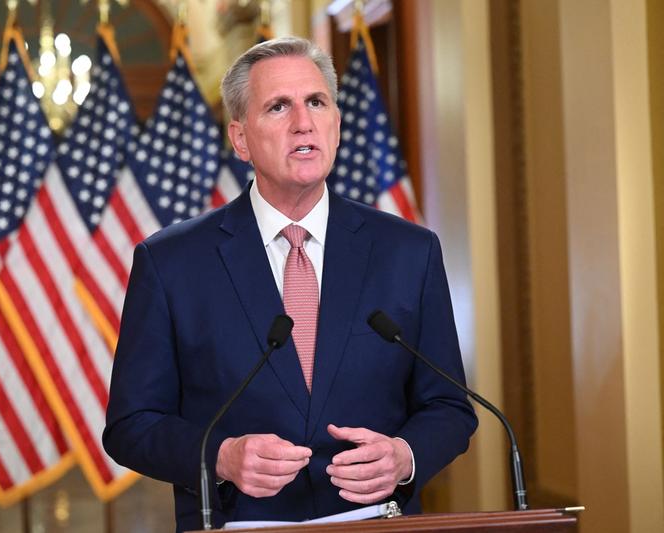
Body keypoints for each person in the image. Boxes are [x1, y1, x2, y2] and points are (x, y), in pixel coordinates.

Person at [103, 36, 477, 532]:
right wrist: (221, 456)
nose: (304, 123)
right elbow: (132, 425)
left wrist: (405, 456)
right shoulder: (171, 262)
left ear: (337, 126)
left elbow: (449, 406)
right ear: (240, 139)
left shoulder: (409, 252)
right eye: (279, 107)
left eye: (317, 103)